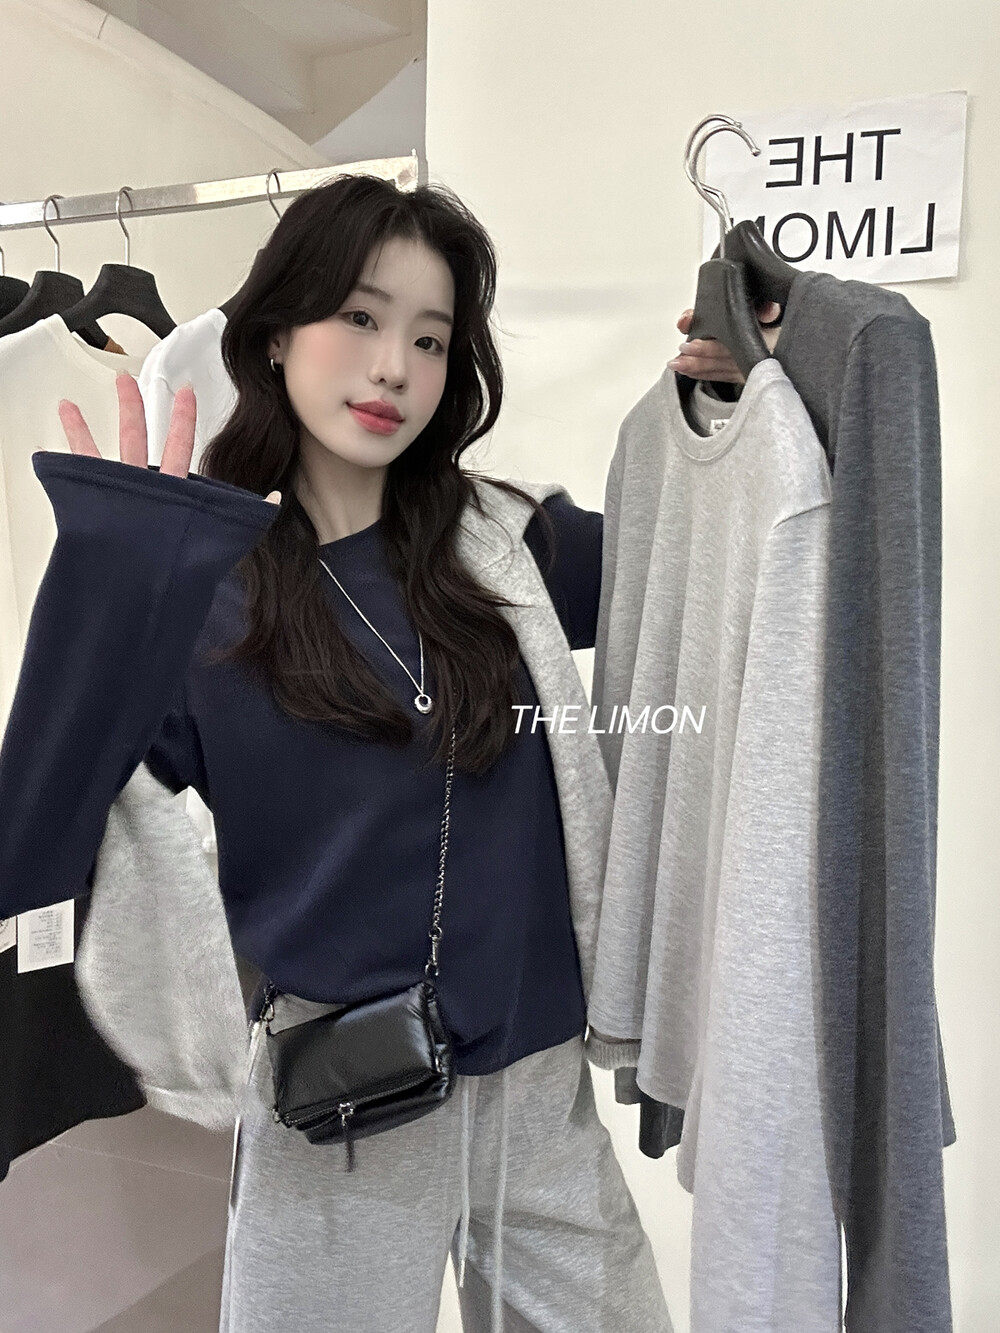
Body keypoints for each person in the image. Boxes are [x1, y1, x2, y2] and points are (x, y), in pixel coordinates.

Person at [14, 173, 777, 1332]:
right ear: (275, 334)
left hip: (537, 1097)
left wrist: (733, 398)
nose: (392, 369)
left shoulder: (508, 544)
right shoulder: (203, 586)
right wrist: (106, 590)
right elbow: (29, 853)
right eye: (360, 318)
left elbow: (700, 554)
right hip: (343, 1108)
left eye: (429, 337)